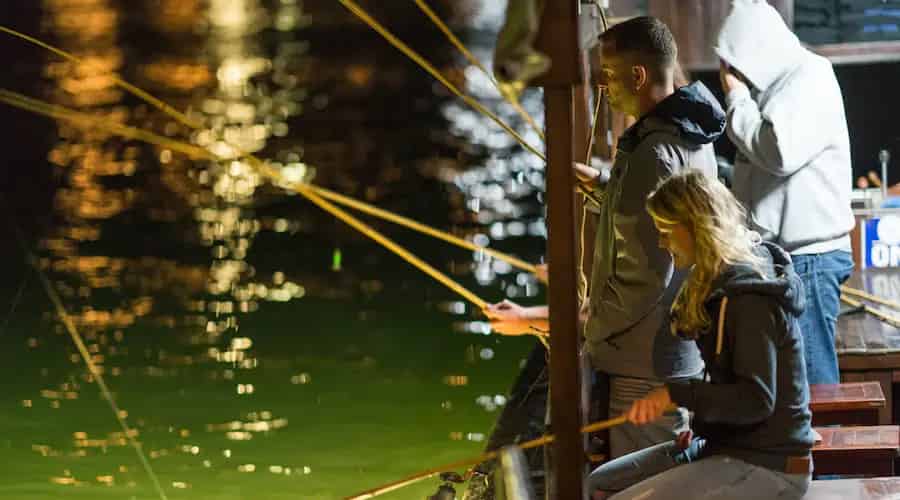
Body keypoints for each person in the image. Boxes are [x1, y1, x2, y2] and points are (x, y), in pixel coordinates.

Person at [486, 16, 726, 459]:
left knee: (644, 481)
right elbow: (661, 213)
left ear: (638, 75)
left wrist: (589, 328)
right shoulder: (692, 135)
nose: (601, 86)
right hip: (672, 349)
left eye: (608, 75)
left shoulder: (654, 152)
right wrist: (604, 185)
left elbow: (646, 275)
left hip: (643, 360)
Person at [588, 170, 814, 499]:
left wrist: (675, 393)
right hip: (727, 445)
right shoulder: (717, 283)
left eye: (666, 232)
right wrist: (703, 428)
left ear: (697, 227)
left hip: (770, 463)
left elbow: (756, 400)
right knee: (599, 482)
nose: (662, 244)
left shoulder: (748, 299)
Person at [716, 0, 855, 384]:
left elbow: (776, 151)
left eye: (735, 65)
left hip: (808, 260)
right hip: (791, 258)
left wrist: (736, 98)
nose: (732, 76)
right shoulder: (782, 85)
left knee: (809, 383)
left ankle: (824, 446)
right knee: (795, 383)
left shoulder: (809, 77)